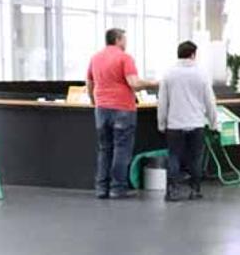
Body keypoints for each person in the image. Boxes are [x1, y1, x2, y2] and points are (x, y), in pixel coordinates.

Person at [87, 27, 157, 199]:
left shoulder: (95, 58)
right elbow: (134, 83)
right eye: (124, 39)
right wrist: (153, 84)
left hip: (101, 109)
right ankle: (118, 188)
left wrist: (94, 101)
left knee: (105, 149)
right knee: (121, 149)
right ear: (118, 39)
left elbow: (89, 83)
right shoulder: (125, 58)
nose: (126, 42)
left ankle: (101, 189)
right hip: (123, 109)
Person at [156, 40, 217, 202]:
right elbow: (210, 101)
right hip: (196, 123)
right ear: (193, 54)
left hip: (175, 124)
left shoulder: (168, 74)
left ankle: (172, 191)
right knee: (195, 157)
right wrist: (213, 122)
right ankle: (195, 190)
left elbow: (162, 102)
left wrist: (161, 123)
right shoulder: (202, 74)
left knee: (174, 156)